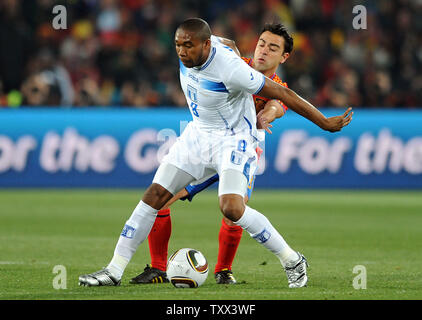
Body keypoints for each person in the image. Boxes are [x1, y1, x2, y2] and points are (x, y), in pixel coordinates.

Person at [79, 18, 352, 289]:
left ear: (205, 45)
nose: (183, 51)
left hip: (234, 142)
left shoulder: (234, 70)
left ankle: (291, 260)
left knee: (232, 208)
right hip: (197, 136)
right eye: (178, 45)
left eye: (189, 45)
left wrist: (325, 123)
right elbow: (227, 41)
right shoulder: (211, 48)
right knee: (154, 197)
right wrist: (225, 45)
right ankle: (114, 270)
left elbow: (283, 95)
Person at [129, 23, 292, 285]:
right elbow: (217, 44)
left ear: (284, 57)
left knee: (233, 211)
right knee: (161, 200)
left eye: (273, 48)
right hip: (206, 145)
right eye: (262, 43)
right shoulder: (234, 62)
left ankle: (224, 270)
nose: (264, 51)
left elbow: (278, 103)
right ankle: (158, 268)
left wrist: (267, 114)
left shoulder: (277, 85)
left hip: (240, 151)